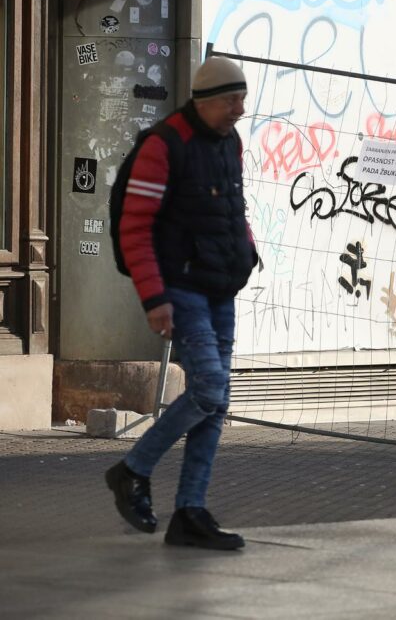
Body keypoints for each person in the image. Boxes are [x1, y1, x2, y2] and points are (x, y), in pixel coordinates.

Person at [105, 56, 257, 551]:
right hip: (181, 288)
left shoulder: (229, 142)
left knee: (215, 402)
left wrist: (248, 249)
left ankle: (190, 511)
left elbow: (233, 205)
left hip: (220, 287)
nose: (240, 109)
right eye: (232, 100)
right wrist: (154, 298)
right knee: (209, 387)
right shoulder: (164, 145)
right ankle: (133, 468)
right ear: (206, 99)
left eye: (243, 99)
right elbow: (135, 227)